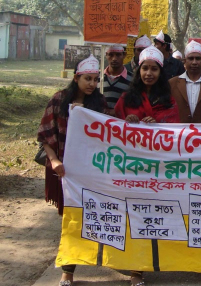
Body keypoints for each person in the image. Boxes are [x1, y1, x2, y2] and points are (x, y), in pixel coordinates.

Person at [37, 55, 109, 286]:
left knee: (96, 217)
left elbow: (111, 133)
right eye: (87, 79)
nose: (91, 84)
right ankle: (67, 271)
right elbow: (46, 135)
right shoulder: (58, 100)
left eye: (95, 80)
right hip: (65, 170)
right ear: (76, 78)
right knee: (70, 219)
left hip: (92, 170)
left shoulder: (99, 104)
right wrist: (54, 160)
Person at [115, 46, 180, 124]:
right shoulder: (126, 98)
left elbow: (172, 130)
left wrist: (157, 125)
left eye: (154, 69)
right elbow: (116, 125)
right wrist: (128, 121)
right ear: (139, 71)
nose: (148, 73)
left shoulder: (169, 101)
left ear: (160, 73)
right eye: (145, 68)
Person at [169, 40, 201, 123]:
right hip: (180, 134)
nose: (194, 62)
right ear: (184, 61)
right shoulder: (172, 83)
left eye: (198, 58)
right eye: (191, 58)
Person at [102, 45, 133, 111]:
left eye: (118, 55)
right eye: (111, 55)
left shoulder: (133, 80)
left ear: (124, 55)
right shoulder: (98, 78)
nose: (114, 59)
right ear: (106, 55)